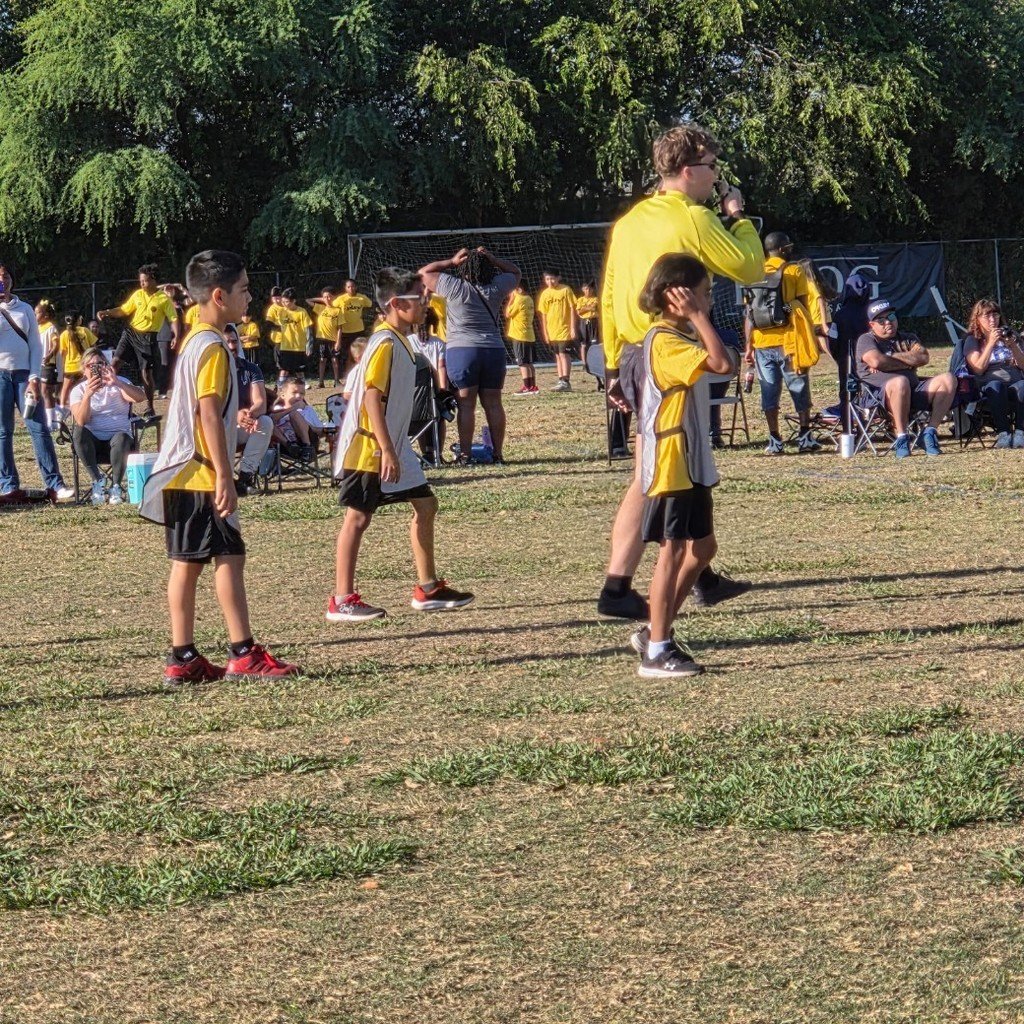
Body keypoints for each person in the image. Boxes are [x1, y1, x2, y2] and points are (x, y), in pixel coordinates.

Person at [597, 123, 763, 620]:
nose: (717, 179)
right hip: (670, 352)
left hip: (631, 352)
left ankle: (698, 574)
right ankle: (619, 587)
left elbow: (608, 295)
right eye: (712, 168)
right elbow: (751, 268)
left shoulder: (627, 222)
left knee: (660, 466)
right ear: (688, 171)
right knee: (657, 472)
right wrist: (737, 217)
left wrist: (610, 367)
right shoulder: (694, 217)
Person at [140, 249, 299, 684]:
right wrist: (225, 475)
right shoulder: (211, 346)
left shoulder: (195, 340)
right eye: (244, 290)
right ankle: (241, 654)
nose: (249, 298)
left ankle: (184, 657)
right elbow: (208, 412)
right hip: (200, 473)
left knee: (197, 561)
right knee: (223, 557)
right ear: (218, 294)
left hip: (187, 472)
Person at [328, 266, 474, 622]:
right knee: (358, 518)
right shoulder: (384, 343)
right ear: (395, 303)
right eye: (418, 298)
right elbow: (371, 399)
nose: (426, 303)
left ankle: (428, 589)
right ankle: (341, 600)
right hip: (370, 449)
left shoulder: (400, 340)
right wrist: (387, 450)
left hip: (394, 446)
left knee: (425, 505)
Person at [630, 254, 734, 677]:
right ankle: (656, 650)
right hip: (672, 460)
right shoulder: (666, 340)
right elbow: (723, 363)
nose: (707, 302)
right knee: (671, 552)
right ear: (679, 298)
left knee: (703, 549)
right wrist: (698, 317)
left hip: (690, 458)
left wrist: (694, 317)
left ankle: (656, 627)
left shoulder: (675, 335)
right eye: (703, 294)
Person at [418, 246, 520, 466]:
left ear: (464, 269)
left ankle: (465, 456)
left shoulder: (454, 287)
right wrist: (494, 259)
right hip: (493, 350)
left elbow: (424, 273)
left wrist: (451, 261)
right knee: (494, 403)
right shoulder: (496, 288)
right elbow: (516, 272)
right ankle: (498, 455)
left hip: (462, 351)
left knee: (466, 405)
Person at [743, 231, 825, 454]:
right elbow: (800, 303)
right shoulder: (793, 270)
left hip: (761, 343)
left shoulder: (754, 272)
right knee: (798, 387)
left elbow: (750, 313)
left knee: (769, 392)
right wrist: (789, 312)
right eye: (787, 246)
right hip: (789, 341)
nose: (790, 249)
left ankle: (774, 440)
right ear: (781, 250)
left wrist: (748, 345)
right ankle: (805, 437)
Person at [0, 260, 73, 503]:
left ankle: (55, 484)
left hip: (24, 376)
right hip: (0, 375)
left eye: (6, 276)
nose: (3, 281)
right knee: (3, 432)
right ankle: (8, 484)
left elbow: (35, 345)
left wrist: (34, 378)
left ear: (12, 279)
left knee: (39, 428)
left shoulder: (26, 309)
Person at [855, 298, 956, 458]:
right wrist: (908, 361)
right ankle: (902, 438)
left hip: (913, 391)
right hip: (879, 398)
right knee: (900, 382)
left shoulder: (908, 337)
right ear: (872, 325)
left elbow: (923, 357)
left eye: (891, 317)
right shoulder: (866, 340)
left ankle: (929, 432)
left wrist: (889, 358)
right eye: (881, 320)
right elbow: (876, 360)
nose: (888, 322)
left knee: (948, 379)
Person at [98, 264, 179, 416]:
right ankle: (105, 400)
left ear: (153, 280)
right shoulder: (137, 295)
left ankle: (150, 407)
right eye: (140, 281)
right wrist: (107, 312)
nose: (142, 284)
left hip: (148, 339)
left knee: (146, 374)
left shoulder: (163, 299)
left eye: (145, 281)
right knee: (114, 363)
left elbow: (173, 319)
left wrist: (175, 335)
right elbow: (123, 310)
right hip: (131, 333)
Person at [70, 346, 145, 505]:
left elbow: (140, 397)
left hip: (119, 441)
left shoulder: (120, 383)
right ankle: (98, 481)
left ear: (107, 366)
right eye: (91, 366)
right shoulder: (78, 390)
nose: (96, 369)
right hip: (92, 444)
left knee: (122, 437)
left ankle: (116, 486)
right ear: (84, 370)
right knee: (78, 432)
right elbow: (81, 420)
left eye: (101, 364)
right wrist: (88, 395)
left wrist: (117, 382)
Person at [961, 299, 1024, 448]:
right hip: (988, 388)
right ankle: (1003, 433)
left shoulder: (1010, 335)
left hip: (1014, 384)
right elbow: (978, 368)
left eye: (995, 315)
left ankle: (1020, 433)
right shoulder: (973, 340)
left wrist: (1013, 345)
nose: (992, 320)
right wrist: (990, 343)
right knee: (996, 386)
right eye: (986, 316)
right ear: (977, 319)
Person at [224, 325, 273, 496]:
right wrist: (235, 415)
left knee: (265, 422)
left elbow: (260, 402)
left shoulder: (251, 369)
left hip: (243, 425)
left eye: (234, 341)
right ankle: (226, 479)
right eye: (227, 342)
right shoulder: (214, 370)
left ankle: (245, 478)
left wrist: (249, 415)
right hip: (221, 426)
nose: (232, 346)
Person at [828, 272, 872, 437]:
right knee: (870, 395)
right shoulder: (872, 313)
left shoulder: (840, 315)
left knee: (846, 396)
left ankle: (848, 431)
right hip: (870, 363)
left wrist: (839, 358)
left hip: (846, 363)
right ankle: (865, 431)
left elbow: (832, 340)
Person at [536, 270, 578, 391]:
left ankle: (566, 381)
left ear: (558, 278)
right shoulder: (545, 294)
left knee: (564, 354)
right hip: (552, 330)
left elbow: (572, 309)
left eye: (552, 279)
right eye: (547, 279)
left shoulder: (565, 290)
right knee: (557, 355)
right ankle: (561, 379)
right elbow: (543, 315)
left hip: (565, 328)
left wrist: (573, 327)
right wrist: (545, 332)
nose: (550, 282)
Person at [272, 376, 325, 463]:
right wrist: (291, 409)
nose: (299, 396)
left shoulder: (307, 409)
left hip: (308, 444)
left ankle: (307, 446)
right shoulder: (277, 409)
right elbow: (272, 420)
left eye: (302, 393)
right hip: (285, 447)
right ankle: (291, 446)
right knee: (268, 422)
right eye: (294, 392)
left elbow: (319, 430)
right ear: (283, 395)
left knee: (295, 415)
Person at [305, 287, 346, 388]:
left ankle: (336, 381)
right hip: (322, 339)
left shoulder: (338, 311)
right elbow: (308, 300)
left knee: (334, 360)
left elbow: (340, 328)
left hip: (333, 339)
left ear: (333, 297)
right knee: (322, 360)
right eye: (325, 297)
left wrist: (338, 342)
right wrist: (321, 299)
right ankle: (321, 382)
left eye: (329, 296)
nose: (327, 299)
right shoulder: (320, 308)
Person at [58, 312, 94, 416]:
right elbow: (93, 347)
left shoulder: (64, 334)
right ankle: (87, 407)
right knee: (88, 387)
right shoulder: (85, 330)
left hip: (70, 367)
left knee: (65, 389)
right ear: (79, 320)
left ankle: (62, 410)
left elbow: (62, 353)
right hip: (85, 366)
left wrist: (62, 366)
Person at [275, 288, 314, 382]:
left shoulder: (302, 312)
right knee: (284, 370)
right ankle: (281, 389)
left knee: (299, 371)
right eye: (283, 301)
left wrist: (309, 346)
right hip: (285, 347)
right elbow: (277, 328)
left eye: (287, 301)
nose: (284, 303)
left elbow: (308, 329)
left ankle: (302, 388)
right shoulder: (281, 312)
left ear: (294, 301)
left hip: (299, 347)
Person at [505, 282, 537, 395]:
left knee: (522, 363)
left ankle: (527, 387)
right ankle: (533, 386)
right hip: (529, 334)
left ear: (519, 289)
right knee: (528, 363)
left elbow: (508, 314)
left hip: (520, 335)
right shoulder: (529, 299)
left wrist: (511, 299)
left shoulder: (519, 299)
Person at [331, 279, 373, 366]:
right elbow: (329, 303)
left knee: (361, 353)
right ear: (345, 288)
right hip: (346, 331)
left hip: (359, 330)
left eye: (352, 286)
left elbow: (371, 304)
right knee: (348, 355)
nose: (351, 288)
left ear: (356, 287)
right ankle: (348, 374)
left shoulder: (362, 298)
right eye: (348, 287)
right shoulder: (341, 299)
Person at [409, 307, 449, 390]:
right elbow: (441, 367)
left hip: (414, 388)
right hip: (433, 389)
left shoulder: (407, 341)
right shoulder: (439, 343)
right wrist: (443, 389)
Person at [35, 300, 60, 429]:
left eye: (37, 313)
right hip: (37, 364)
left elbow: (56, 344)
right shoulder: (36, 328)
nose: (35, 316)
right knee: (41, 392)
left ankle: (52, 422)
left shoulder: (51, 327)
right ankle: (51, 417)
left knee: (46, 391)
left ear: (46, 315)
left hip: (48, 364)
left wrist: (49, 355)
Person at [575, 280, 600, 386]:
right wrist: (588, 308)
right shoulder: (580, 300)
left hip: (593, 322)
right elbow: (579, 311)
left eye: (589, 289)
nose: (587, 291)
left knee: (594, 344)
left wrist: (586, 309)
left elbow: (595, 308)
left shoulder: (596, 299)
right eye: (585, 289)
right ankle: (584, 363)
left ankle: (595, 361)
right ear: (582, 289)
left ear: (592, 289)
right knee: (584, 343)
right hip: (583, 322)